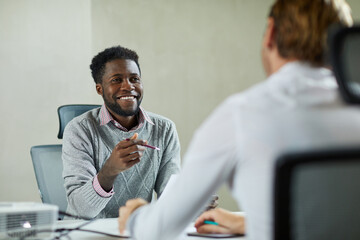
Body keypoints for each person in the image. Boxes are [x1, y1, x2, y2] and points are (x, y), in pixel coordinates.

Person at [118, 0, 358, 239]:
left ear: (271, 32)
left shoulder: (242, 114)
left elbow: (158, 231)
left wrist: (137, 216)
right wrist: (249, 222)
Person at [62, 46, 181, 219]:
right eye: (116, 80)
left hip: (137, 231)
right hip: (88, 233)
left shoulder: (164, 129)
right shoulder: (79, 129)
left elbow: (171, 197)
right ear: (99, 89)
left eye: (134, 79)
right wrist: (110, 170)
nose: (128, 86)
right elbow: (80, 210)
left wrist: (194, 204)